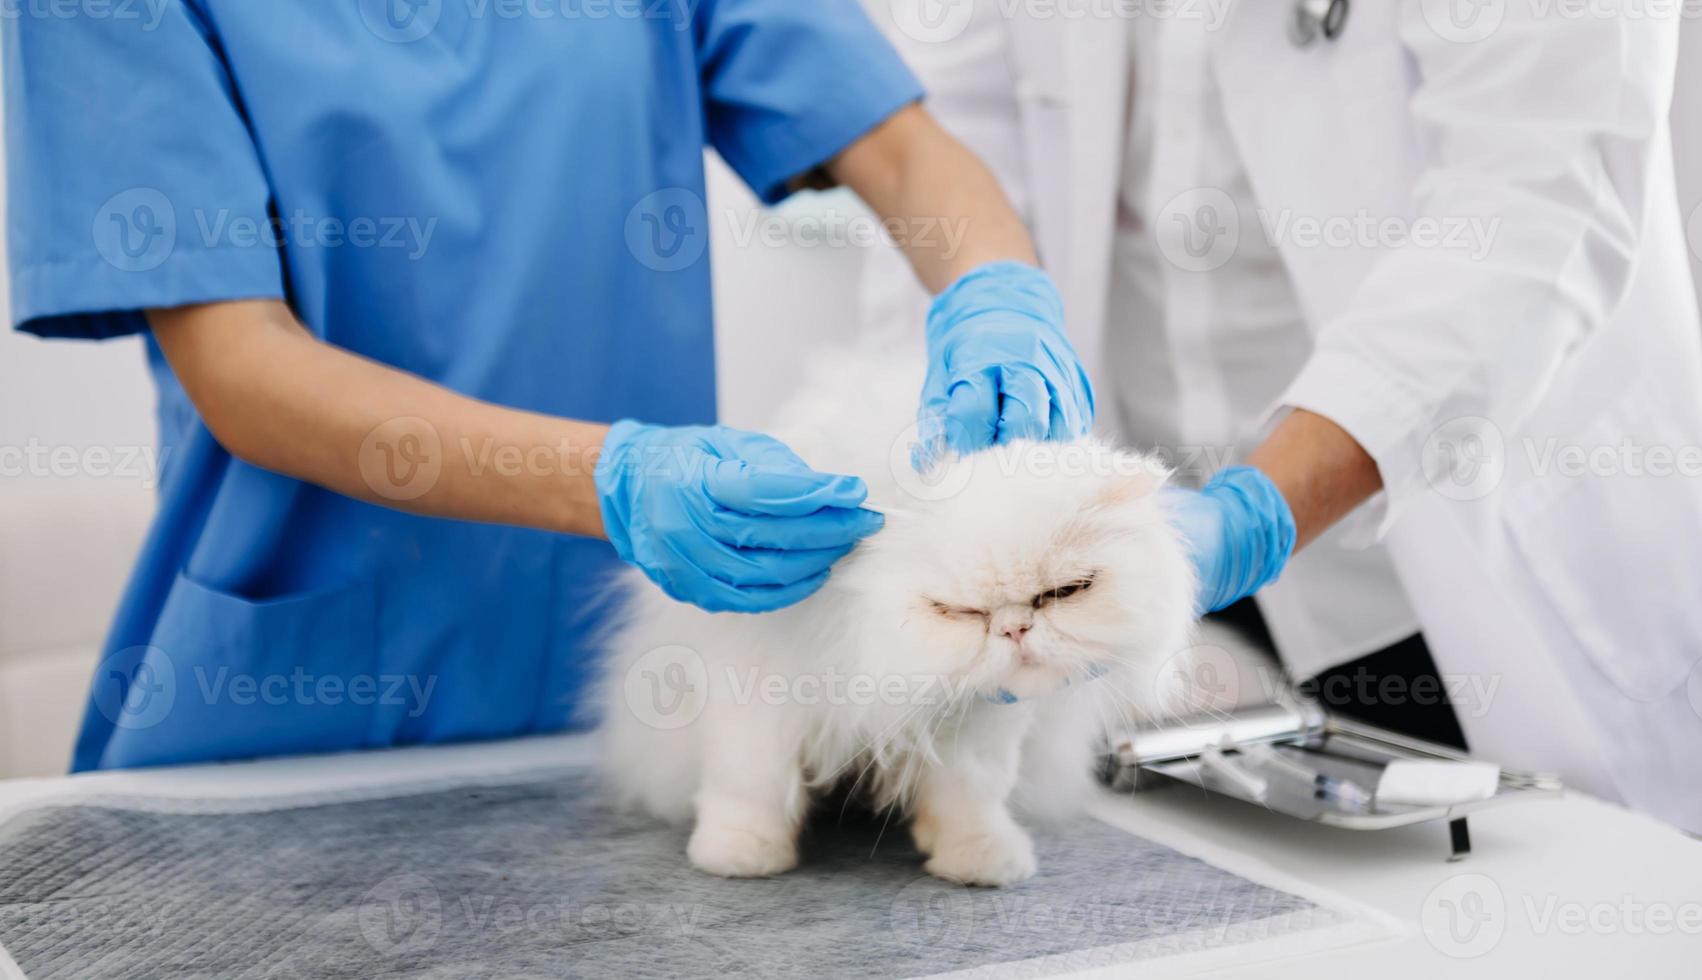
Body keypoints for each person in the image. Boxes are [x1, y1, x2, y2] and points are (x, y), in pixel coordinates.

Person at [3, 1, 1093, 771]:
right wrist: (615, 479)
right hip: (293, 701)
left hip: (623, 688)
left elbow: (904, 155)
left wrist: (997, 294)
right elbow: (239, 362)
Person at [863, 2, 1702, 831]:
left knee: (1543, 893)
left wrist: (1261, 510)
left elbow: (1535, 201)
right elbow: (950, 134)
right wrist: (948, 446)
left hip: (1452, 548)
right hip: (1138, 549)